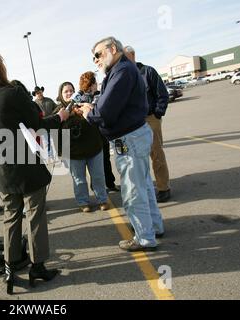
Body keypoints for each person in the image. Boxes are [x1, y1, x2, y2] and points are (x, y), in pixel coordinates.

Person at [0, 50, 69, 294]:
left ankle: (10, 268)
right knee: (35, 215)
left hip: (1, 170)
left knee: (11, 217)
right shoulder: (10, 93)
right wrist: (61, 117)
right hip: (25, 166)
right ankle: (37, 266)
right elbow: (37, 123)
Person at [79, 36, 164, 252]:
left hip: (130, 139)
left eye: (98, 54)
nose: (96, 60)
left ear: (112, 49)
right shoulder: (122, 70)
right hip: (134, 136)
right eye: (93, 57)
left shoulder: (122, 71)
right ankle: (154, 226)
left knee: (133, 191)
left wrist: (89, 112)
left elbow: (104, 112)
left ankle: (144, 238)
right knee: (143, 185)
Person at [124, 45, 171, 203]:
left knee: (156, 153)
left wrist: (157, 113)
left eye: (125, 56)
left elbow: (162, 94)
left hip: (150, 119)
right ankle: (146, 189)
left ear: (132, 55)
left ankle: (163, 188)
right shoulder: (123, 77)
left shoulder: (148, 71)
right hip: (133, 123)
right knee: (137, 158)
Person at [54, 81, 109, 213]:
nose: (69, 93)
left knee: (98, 176)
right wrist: (61, 153)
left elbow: (97, 120)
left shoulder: (85, 104)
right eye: (65, 91)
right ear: (61, 94)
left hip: (94, 148)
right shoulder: (59, 112)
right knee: (79, 180)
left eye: (71, 90)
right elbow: (55, 135)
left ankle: (102, 199)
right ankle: (83, 202)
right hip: (74, 154)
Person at [78, 71, 119, 193]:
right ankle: (99, 186)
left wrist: (87, 105)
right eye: (95, 82)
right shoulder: (81, 97)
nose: (96, 85)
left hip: (101, 134)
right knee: (96, 163)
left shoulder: (97, 95)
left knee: (105, 160)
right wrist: (87, 105)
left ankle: (109, 183)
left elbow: (96, 108)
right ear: (91, 84)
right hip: (92, 135)